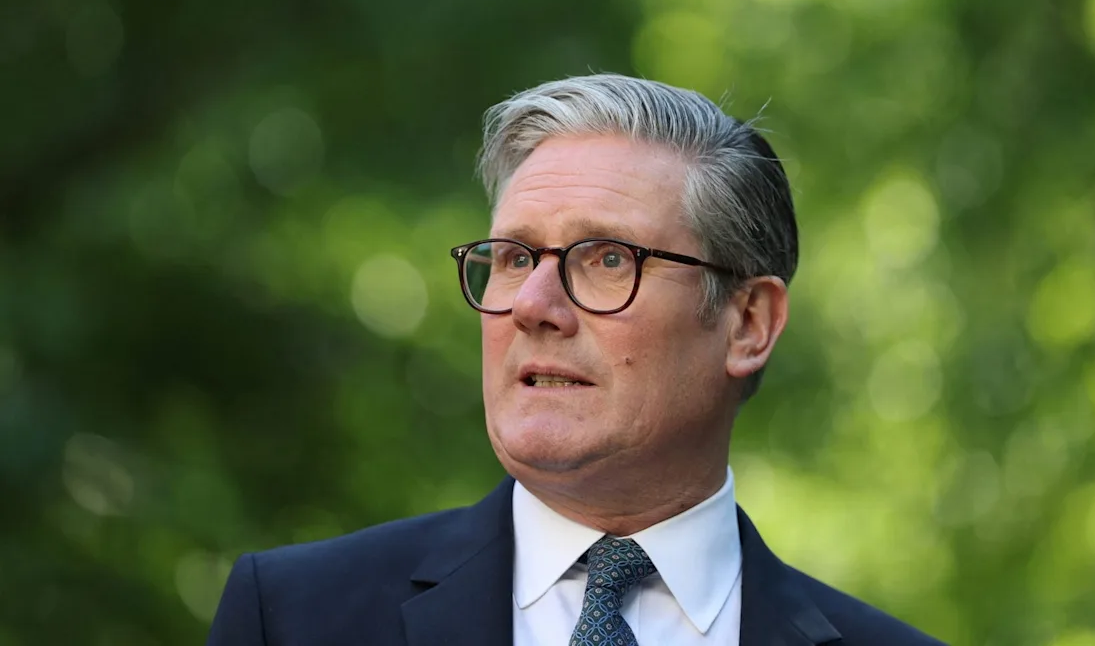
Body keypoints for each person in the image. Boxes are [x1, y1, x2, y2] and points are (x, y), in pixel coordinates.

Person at [207, 74, 946, 645]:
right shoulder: (293, 617)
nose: (531, 304)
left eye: (605, 258)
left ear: (748, 323)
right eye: (514, 255)